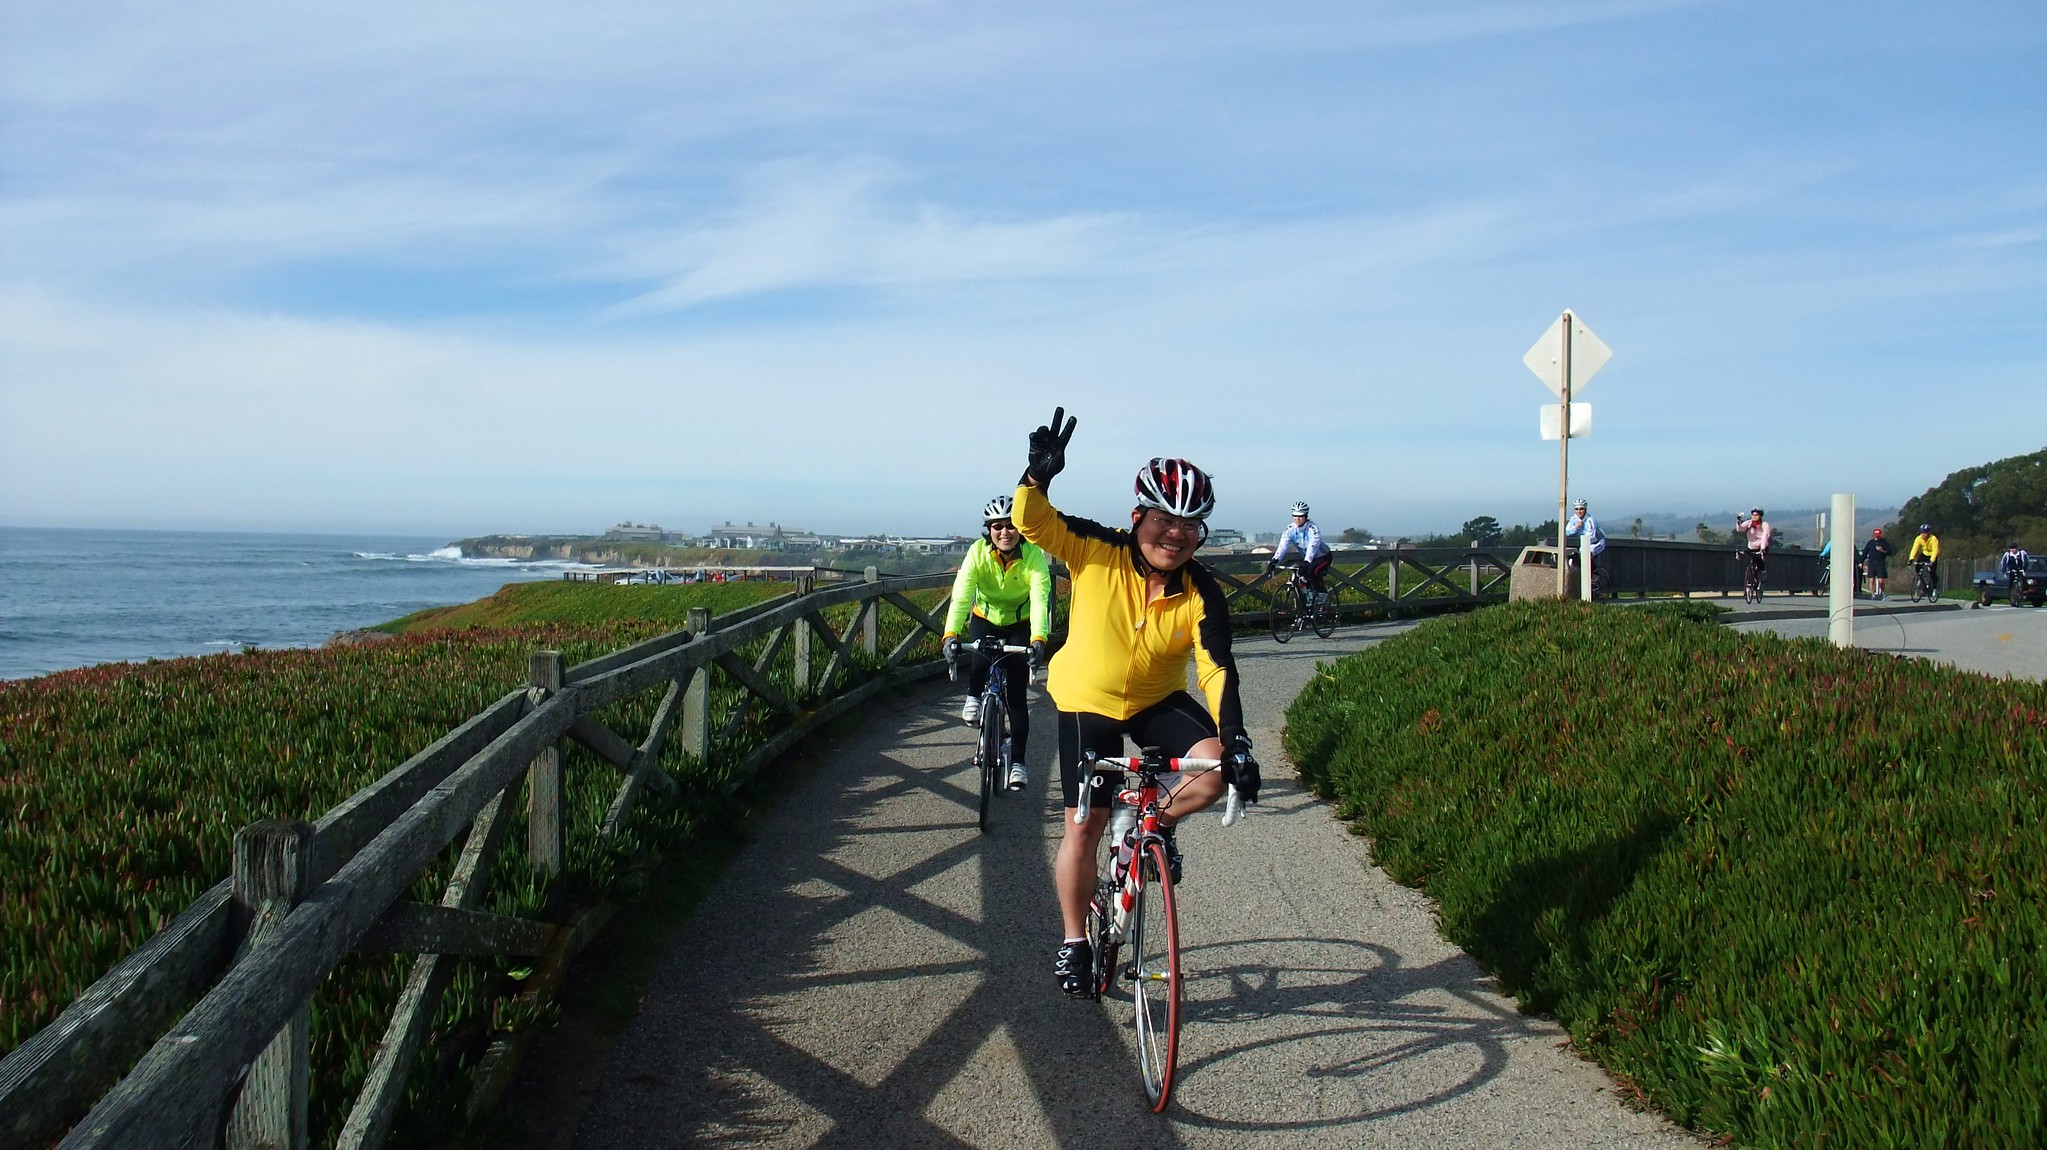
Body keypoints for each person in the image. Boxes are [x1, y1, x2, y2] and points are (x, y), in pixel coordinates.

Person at [1010, 406, 1259, 998]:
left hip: (1154, 699)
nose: (1175, 534)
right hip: (1085, 700)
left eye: (1190, 524)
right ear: (1137, 517)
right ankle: (1074, 940)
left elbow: (1216, 667)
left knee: (1216, 768)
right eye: (1163, 520)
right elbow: (1033, 523)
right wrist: (1036, 477)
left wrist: (1240, 743)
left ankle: (1153, 824)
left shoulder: (1202, 589)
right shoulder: (1096, 548)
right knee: (1084, 824)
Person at [942, 496, 1053, 790]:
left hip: (1020, 623)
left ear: (1020, 530)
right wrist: (950, 635)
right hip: (985, 618)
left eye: (1011, 526)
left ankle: (1018, 762)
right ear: (988, 531)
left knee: (1016, 694)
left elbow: (1041, 601)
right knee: (979, 659)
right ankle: (974, 697)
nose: (1004, 532)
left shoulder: (1033, 556)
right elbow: (962, 595)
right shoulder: (977, 553)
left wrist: (1038, 639)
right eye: (997, 527)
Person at [1265, 502, 1331, 604]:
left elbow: (1313, 545)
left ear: (1306, 516)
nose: (1297, 519)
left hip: (1322, 557)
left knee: (1311, 571)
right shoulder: (1290, 530)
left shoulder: (1312, 528)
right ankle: (1307, 600)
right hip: (1307, 558)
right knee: (1300, 575)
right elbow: (1283, 546)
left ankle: (1322, 593)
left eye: (1300, 516)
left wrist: (1307, 561)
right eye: (1295, 516)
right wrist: (1275, 561)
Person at [1563, 497, 1607, 595]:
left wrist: (1579, 528)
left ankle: (1594, 578)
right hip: (1584, 542)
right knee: (1578, 557)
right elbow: (1567, 532)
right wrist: (1576, 527)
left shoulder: (1590, 520)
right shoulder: (1574, 519)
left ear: (1585, 509)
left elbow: (1590, 537)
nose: (1579, 511)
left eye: (1581, 509)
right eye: (1577, 509)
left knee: (1587, 553)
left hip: (1597, 542)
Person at [1733, 507, 1772, 587]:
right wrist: (1738, 521)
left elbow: (1765, 536)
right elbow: (1740, 529)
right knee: (1748, 558)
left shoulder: (1764, 524)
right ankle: (1750, 578)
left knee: (1759, 559)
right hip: (1751, 546)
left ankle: (1762, 573)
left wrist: (1763, 548)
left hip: (1761, 546)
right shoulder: (1749, 523)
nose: (1754, 516)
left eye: (1756, 515)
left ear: (1760, 516)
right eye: (1753, 515)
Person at [1859, 527, 1894, 600]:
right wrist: (1861, 562)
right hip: (1871, 562)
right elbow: (1865, 553)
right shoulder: (1870, 543)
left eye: (1878, 535)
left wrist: (1882, 551)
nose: (1877, 536)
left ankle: (1883, 592)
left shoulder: (1884, 542)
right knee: (1871, 580)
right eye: (1876, 535)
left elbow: (1890, 552)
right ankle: (1873, 594)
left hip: (1880, 562)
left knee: (1881, 580)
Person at [1908, 524, 1940, 595]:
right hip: (1924, 554)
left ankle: (1935, 588)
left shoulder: (1933, 539)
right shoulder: (1918, 538)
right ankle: (1921, 580)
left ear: (1928, 533)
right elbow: (1915, 549)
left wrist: (1932, 561)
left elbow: (1935, 551)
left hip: (1932, 555)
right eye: (1922, 532)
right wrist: (1911, 559)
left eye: (1925, 533)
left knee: (1932, 572)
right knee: (1918, 566)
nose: (1923, 534)